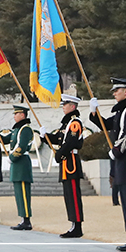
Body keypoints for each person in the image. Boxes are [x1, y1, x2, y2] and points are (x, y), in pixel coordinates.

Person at [90, 78, 126, 252]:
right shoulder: (122, 111)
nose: (114, 93)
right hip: (123, 158)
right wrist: (94, 113)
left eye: (117, 90)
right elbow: (107, 125)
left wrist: (115, 151)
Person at [42, 94, 87, 237]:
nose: (63, 107)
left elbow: (71, 143)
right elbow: (59, 139)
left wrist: (59, 154)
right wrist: (45, 136)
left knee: (73, 194)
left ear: (72, 107)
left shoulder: (75, 122)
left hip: (71, 161)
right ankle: (73, 224)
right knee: (68, 195)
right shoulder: (66, 124)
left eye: (65, 104)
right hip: (66, 161)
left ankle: (77, 226)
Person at [1, 105, 35, 231]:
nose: (14, 116)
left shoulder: (25, 129)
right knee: (18, 193)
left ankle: (26, 220)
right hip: (17, 165)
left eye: (16, 114)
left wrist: (12, 157)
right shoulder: (17, 130)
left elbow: (21, 147)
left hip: (21, 163)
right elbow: (5, 139)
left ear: (23, 115)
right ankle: (23, 218)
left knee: (23, 193)